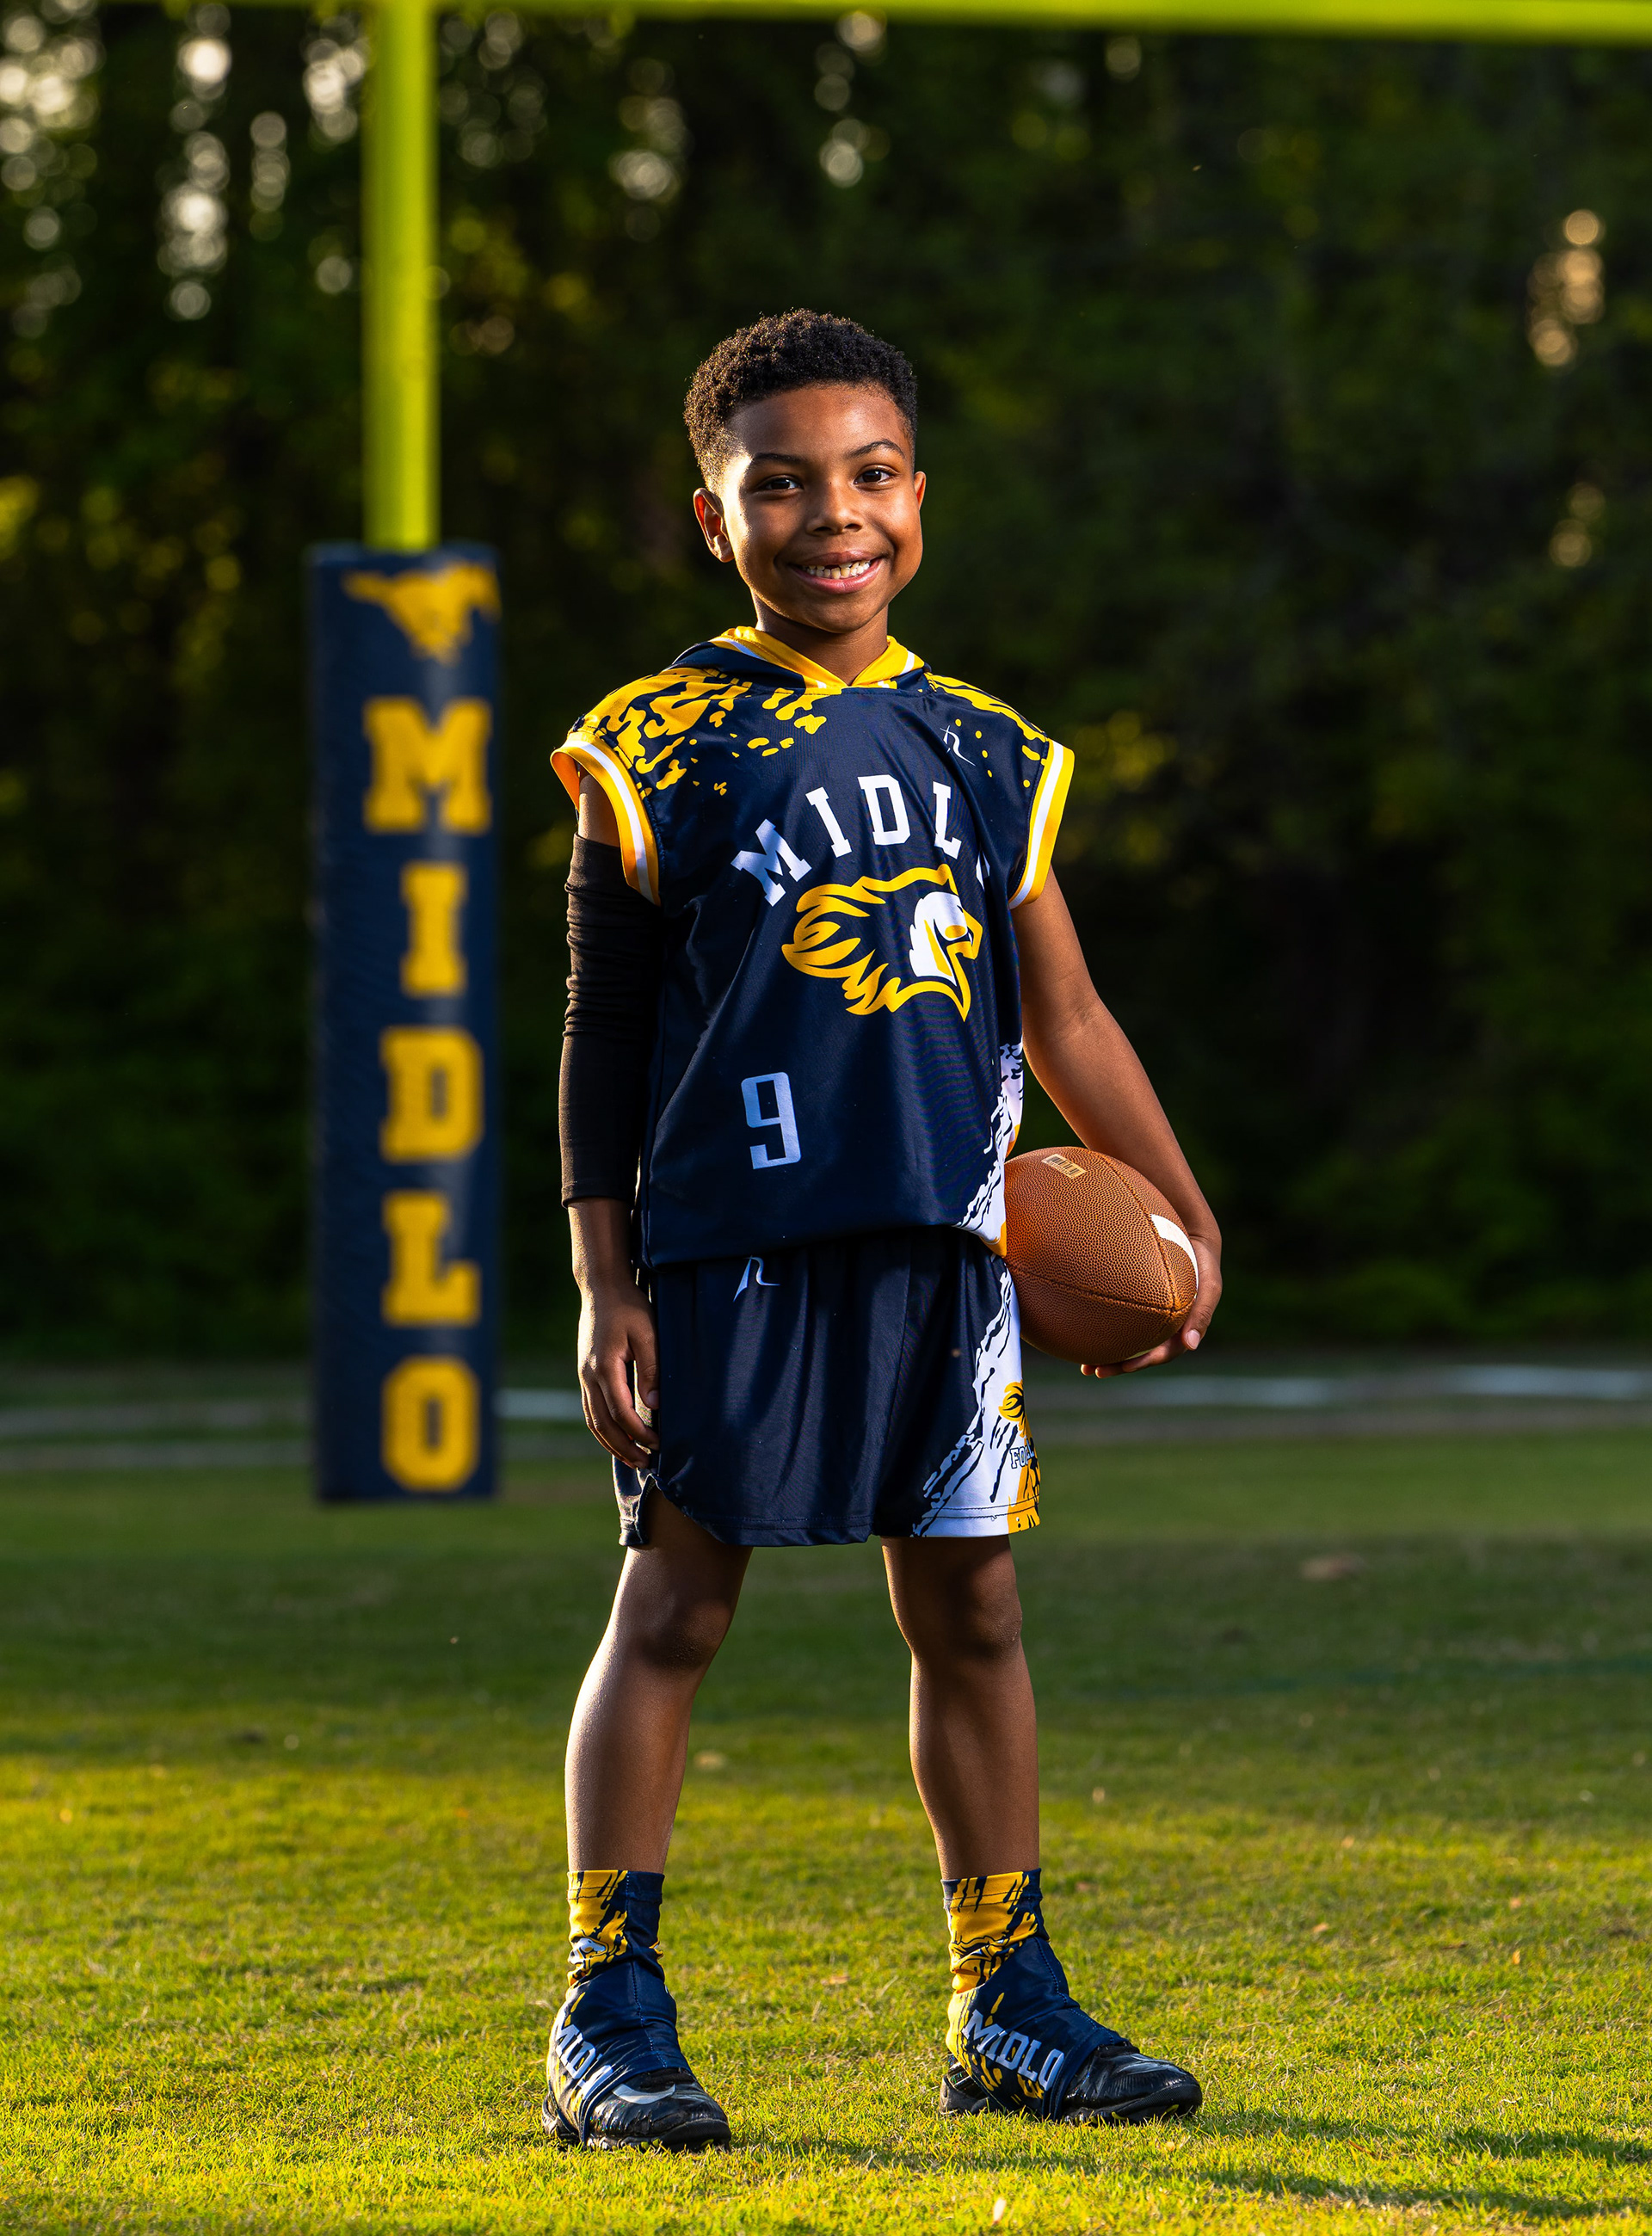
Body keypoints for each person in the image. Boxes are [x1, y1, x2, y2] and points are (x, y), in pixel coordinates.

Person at [545, 310, 1223, 2151]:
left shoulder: (989, 747)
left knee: (975, 1606)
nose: (832, 515)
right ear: (716, 519)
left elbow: (1066, 1012)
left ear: (919, 494)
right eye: (782, 485)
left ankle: (1006, 1999)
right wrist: (606, 1273)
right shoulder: (655, 741)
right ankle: (609, 2007)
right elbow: (604, 1033)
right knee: (678, 1604)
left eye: (867, 476)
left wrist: (1175, 1200)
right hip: (732, 1243)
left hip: (945, 1241)